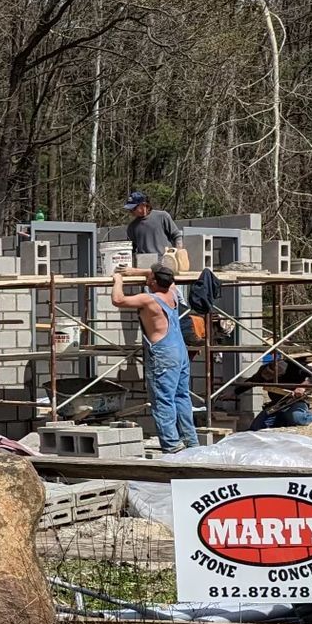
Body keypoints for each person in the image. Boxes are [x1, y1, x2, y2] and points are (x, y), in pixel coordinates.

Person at [111, 262, 198, 452]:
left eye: (150, 278)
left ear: (154, 282)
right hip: (179, 351)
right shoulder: (173, 292)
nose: (147, 279)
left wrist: (118, 280)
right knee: (181, 396)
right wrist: (136, 271)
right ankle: (191, 441)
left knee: (163, 399)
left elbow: (118, 300)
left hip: (164, 353)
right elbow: (163, 274)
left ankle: (172, 445)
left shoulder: (149, 299)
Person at [244, 352, 312, 430]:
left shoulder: (293, 367)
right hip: (277, 404)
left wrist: (302, 386)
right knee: (257, 426)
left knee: (298, 419)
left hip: (295, 401)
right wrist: (234, 393)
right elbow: (250, 382)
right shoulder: (264, 371)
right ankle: (283, 420)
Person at [124, 191, 184, 260]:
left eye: (133, 208)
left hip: (165, 262)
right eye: (130, 209)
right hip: (144, 264)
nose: (131, 212)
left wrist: (178, 254)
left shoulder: (162, 217)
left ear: (143, 205)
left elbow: (177, 236)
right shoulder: (132, 227)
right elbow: (131, 250)